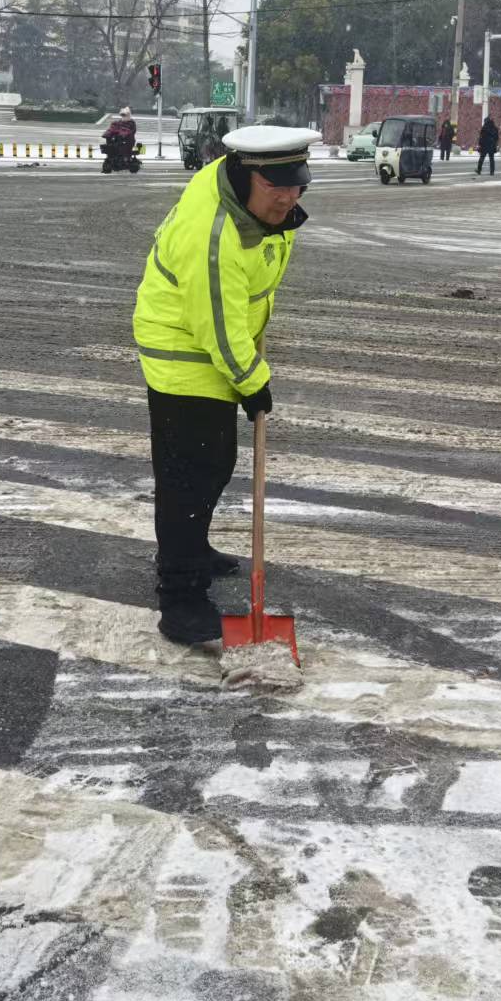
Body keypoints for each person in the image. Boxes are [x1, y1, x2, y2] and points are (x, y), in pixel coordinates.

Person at [132, 124, 315, 645]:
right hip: (185, 351)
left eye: (297, 183)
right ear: (246, 175)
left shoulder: (249, 199)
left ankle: (194, 548)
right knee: (189, 472)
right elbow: (218, 320)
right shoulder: (214, 234)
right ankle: (181, 599)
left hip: (213, 342)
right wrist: (253, 383)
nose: (289, 197)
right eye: (277, 186)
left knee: (211, 464)